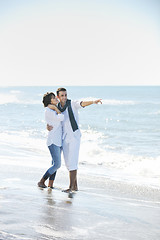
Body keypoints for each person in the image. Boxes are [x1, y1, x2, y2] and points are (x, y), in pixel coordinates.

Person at [47, 87, 102, 192]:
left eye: (65, 95)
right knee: (68, 162)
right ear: (58, 96)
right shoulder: (57, 107)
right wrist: (48, 126)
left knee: (72, 161)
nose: (64, 97)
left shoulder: (72, 103)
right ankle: (75, 186)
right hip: (64, 137)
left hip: (74, 136)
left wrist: (93, 101)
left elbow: (81, 103)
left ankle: (71, 187)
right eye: (62, 95)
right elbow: (52, 118)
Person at [38, 92, 64, 189]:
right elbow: (61, 117)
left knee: (54, 164)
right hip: (53, 141)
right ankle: (41, 181)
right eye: (54, 98)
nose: (56, 98)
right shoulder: (49, 111)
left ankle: (50, 184)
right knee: (57, 165)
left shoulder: (52, 110)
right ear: (50, 101)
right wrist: (56, 109)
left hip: (59, 141)